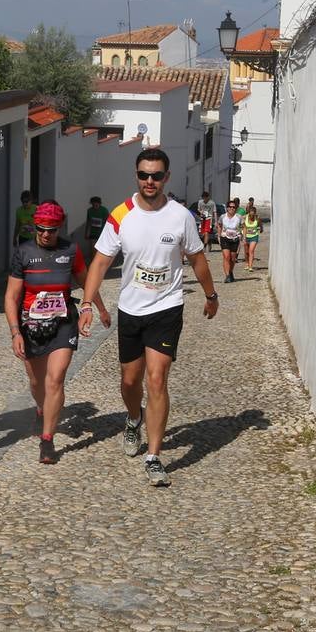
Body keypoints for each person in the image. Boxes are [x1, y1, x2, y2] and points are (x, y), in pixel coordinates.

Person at [80, 148, 218, 486]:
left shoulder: (180, 216)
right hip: (131, 309)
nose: (150, 181)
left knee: (156, 379)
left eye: (157, 175)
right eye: (144, 175)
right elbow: (99, 262)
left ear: (166, 177)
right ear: (137, 176)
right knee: (130, 382)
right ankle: (133, 417)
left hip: (167, 308)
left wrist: (211, 294)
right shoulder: (121, 215)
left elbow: (197, 259)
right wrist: (86, 303)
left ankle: (154, 456)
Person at [5, 201, 111, 464]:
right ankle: (42, 409)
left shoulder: (70, 250)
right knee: (36, 382)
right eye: (40, 229)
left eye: (51, 230)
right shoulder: (23, 252)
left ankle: (47, 440)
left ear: (59, 227)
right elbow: (11, 296)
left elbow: (87, 282)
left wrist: (100, 308)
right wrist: (15, 332)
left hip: (63, 323)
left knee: (56, 379)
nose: (45, 234)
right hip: (30, 326)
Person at [219, 199, 244, 282]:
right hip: (224, 238)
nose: (232, 208)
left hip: (235, 239)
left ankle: (230, 272)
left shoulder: (239, 217)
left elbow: (244, 226)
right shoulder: (223, 216)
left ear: (236, 208)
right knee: (226, 257)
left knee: (232, 259)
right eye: (230, 207)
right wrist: (219, 235)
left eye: (233, 207)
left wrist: (243, 236)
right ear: (227, 208)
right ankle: (227, 276)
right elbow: (219, 225)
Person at [84, 196, 109, 260]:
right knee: (93, 249)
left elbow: (108, 222)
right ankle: (93, 262)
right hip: (92, 233)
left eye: (96, 203)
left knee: (101, 250)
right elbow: (88, 222)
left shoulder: (104, 210)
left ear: (99, 203)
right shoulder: (89, 210)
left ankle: (100, 261)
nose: (95, 205)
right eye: (93, 204)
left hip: (102, 234)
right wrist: (86, 233)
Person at [242, 205, 263, 271]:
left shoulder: (257, 218)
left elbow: (260, 224)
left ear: (255, 212)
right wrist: (244, 237)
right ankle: (247, 264)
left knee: (251, 251)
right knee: (246, 252)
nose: (252, 214)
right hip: (246, 236)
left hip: (254, 236)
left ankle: (250, 266)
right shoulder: (245, 217)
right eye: (251, 212)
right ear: (249, 212)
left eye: (253, 212)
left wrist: (261, 229)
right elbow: (243, 227)